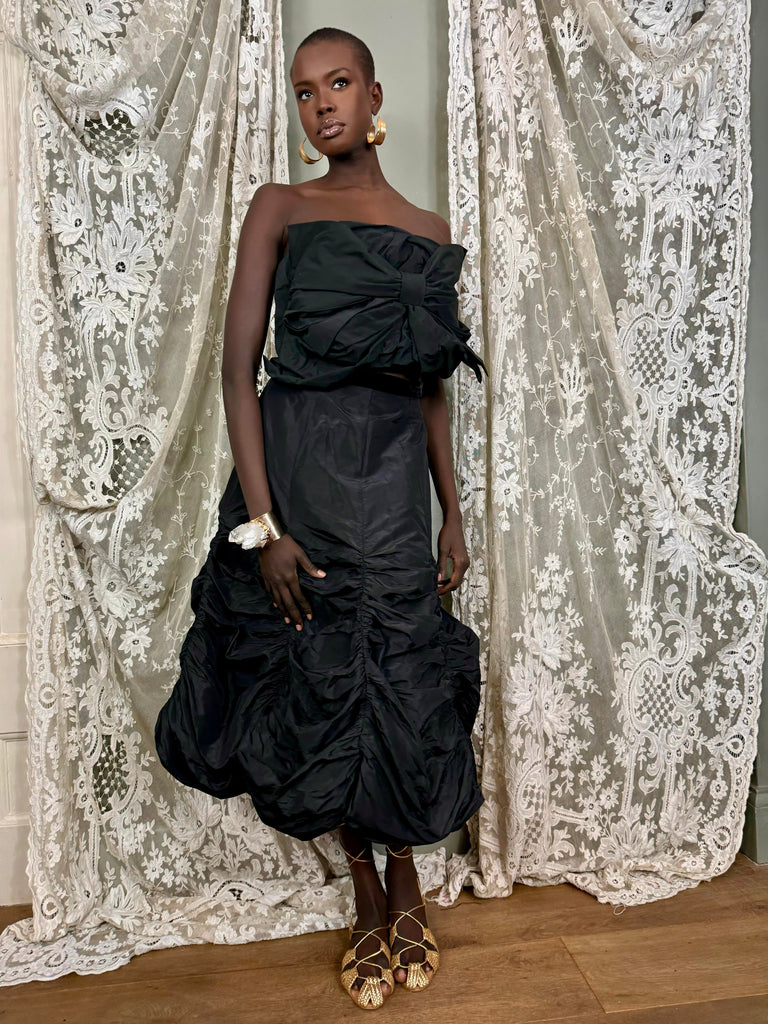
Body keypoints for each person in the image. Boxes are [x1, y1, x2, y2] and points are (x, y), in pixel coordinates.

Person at [154, 25, 487, 1011]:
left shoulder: (426, 228)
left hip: (392, 483)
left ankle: (407, 873)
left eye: (338, 83)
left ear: (373, 96)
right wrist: (264, 525)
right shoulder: (280, 207)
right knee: (320, 676)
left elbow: (431, 386)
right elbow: (237, 374)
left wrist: (452, 513)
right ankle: (367, 890)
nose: (322, 104)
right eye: (304, 91)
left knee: (402, 679)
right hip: (301, 478)